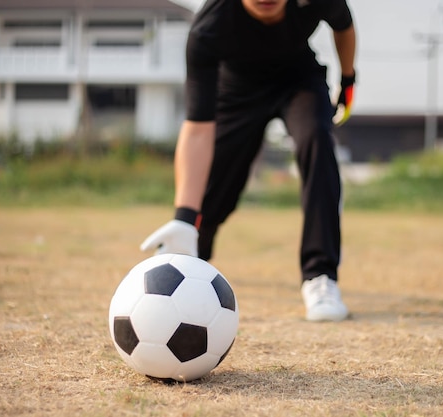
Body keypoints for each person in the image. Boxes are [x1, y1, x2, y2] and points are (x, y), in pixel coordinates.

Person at [141, 0, 357, 322]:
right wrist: (184, 217)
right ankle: (189, 258)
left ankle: (320, 277)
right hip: (237, 89)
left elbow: (344, 26)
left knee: (317, 139)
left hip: (299, 81)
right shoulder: (209, 28)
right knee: (216, 186)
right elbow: (197, 130)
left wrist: (348, 80)